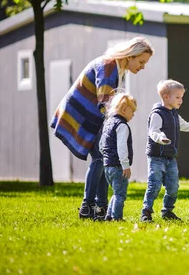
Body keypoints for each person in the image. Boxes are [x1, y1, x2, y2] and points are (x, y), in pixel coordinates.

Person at [51, 36, 153, 220]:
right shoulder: (108, 66)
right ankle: (88, 206)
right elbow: (105, 102)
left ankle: (100, 207)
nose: (143, 67)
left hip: (94, 117)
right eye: (141, 61)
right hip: (80, 114)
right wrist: (115, 126)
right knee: (100, 158)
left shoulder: (118, 69)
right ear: (130, 56)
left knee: (102, 158)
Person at [141, 80, 189, 222]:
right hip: (156, 157)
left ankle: (167, 211)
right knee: (154, 185)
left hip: (170, 158)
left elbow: (188, 126)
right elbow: (153, 131)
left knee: (173, 186)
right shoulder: (157, 114)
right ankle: (146, 212)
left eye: (182, 97)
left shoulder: (174, 114)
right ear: (165, 97)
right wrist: (161, 138)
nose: (181, 101)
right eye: (178, 97)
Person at [98, 93, 137, 221]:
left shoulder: (108, 123)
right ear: (124, 109)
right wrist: (125, 165)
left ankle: (109, 216)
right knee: (120, 194)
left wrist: (106, 158)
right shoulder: (122, 126)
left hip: (107, 165)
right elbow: (122, 147)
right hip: (118, 166)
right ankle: (117, 217)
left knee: (116, 192)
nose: (133, 115)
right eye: (133, 111)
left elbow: (101, 145)